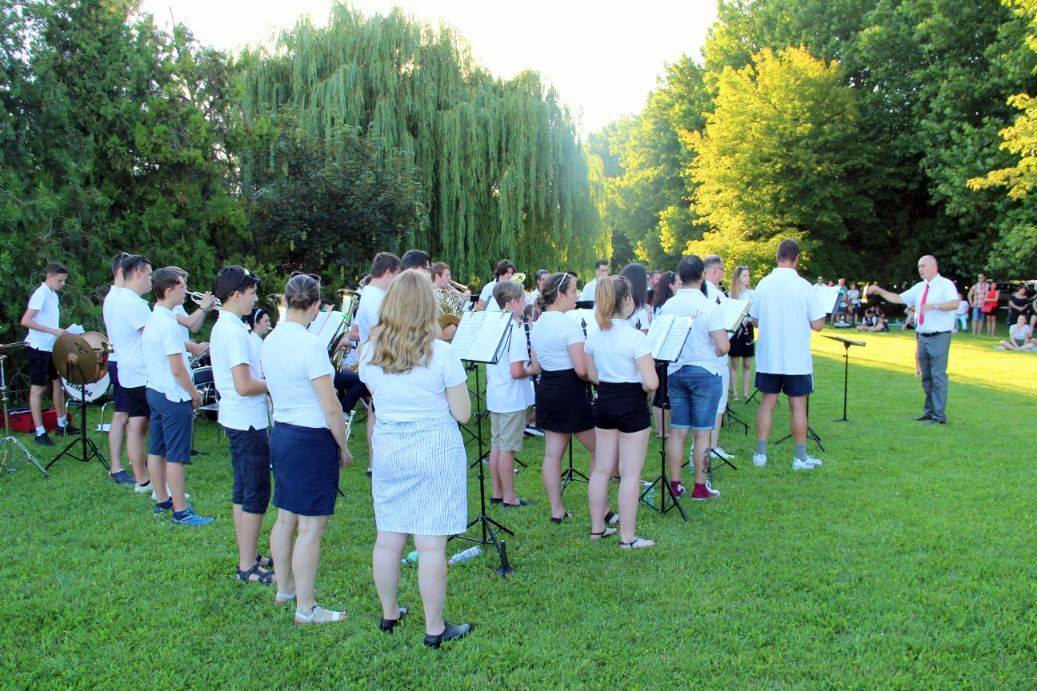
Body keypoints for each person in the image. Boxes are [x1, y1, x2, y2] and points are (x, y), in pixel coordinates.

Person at [359, 270, 473, 647]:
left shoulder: (370, 352)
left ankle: (389, 613)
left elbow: (376, 392)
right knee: (430, 546)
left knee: (388, 538)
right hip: (434, 449)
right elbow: (463, 414)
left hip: (390, 448)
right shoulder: (442, 354)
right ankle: (434, 627)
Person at [262, 273, 352, 624]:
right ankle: (306, 606)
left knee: (286, 518)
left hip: (283, 432)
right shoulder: (311, 345)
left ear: (286, 301)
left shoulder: (270, 340)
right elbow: (331, 407)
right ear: (315, 306)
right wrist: (343, 446)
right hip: (310, 438)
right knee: (311, 527)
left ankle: (285, 588)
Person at [529, 272, 615, 523]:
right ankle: (604, 510)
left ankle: (557, 511)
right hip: (570, 391)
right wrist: (600, 376)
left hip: (548, 389)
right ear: (560, 295)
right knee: (599, 452)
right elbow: (581, 369)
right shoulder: (568, 325)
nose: (576, 295)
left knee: (552, 454)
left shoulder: (537, 324)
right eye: (573, 290)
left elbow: (537, 366)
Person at [209, 265, 274, 584]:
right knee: (255, 492)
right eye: (251, 293)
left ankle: (248, 553)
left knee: (244, 489)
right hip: (247, 421)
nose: (255, 299)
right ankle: (246, 565)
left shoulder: (228, 326)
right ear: (236, 295)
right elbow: (244, 385)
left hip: (239, 419)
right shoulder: (233, 331)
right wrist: (276, 383)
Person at [584, 276, 658, 549]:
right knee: (629, 474)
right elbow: (651, 383)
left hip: (605, 401)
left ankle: (597, 529)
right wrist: (639, 384)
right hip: (631, 404)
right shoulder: (636, 338)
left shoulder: (594, 336)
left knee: (601, 469)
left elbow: (592, 375)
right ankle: (628, 538)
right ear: (626, 300)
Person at [142, 266, 211, 525]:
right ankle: (181, 511)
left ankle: (163, 500)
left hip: (155, 391)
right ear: (170, 290)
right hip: (173, 396)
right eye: (182, 286)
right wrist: (194, 395)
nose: (185, 291)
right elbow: (178, 369)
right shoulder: (168, 324)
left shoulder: (156, 317)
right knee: (176, 455)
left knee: (157, 449)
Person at [750, 239, 827, 469]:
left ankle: (760, 454)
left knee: (767, 402)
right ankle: (800, 457)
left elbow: (755, 319)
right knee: (798, 405)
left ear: (777, 257)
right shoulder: (804, 286)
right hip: (796, 358)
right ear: (796, 259)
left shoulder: (763, 284)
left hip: (769, 355)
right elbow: (818, 324)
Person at [656, 256, 728, 498]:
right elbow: (723, 345)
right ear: (703, 275)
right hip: (704, 372)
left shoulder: (668, 305)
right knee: (702, 434)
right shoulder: (709, 305)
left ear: (679, 277)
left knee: (677, 431)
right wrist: (716, 352)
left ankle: (675, 484)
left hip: (676, 372)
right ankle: (700, 486)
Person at [869, 254, 960, 424]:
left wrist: (935, 306)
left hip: (939, 336)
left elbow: (955, 303)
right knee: (927, 377)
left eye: (923, 266)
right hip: (922, 337)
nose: (920, 269)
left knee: (938, 376)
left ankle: (939, 416)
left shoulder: (945, 285)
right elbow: (898, 298)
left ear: (933, 266)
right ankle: (929, 412)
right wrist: (879, 291)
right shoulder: (919, 287)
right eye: (919, 266)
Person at [486, 280, 535, 508]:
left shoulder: (494, 326)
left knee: (497, 445)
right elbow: (516, 371)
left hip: (496, 394)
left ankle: (498, 493)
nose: (525, 304)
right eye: (523, 300)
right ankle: (509, 497)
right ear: (512, 302)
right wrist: (534, 368)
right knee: (508, 449)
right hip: (511, 397)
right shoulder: (514, 330)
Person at [108, 255, 155, 492]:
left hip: (130, 372)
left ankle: (143, 481)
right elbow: (154, 337)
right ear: (138, 273)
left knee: (137, 425)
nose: (151, 279)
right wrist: (191, 347)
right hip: (142, 374)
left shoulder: (122, 299)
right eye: (149, 274)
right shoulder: (132, 303)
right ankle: (160, 486)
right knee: (156, 430)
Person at [19, 261, 76, 446]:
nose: (62, 284)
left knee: (57, 383)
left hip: (51, 346)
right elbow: (26, 321)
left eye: (64, 280)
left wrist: (60, 331)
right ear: (49, 277)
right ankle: (40, 432)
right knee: (37, 389)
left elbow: (48, 321)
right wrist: (52, 331)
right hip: (38, 348)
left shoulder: (52, 295)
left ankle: (62, 424)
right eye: (60, 280)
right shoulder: (41, 294)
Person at [102, 252, 135, 484]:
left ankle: (134, 460)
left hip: (125, 361)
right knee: (121, 414)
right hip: (120, 361)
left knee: (132, 416)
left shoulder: (122, 297)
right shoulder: (116, 298)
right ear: (121, 272)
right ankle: (115, 467)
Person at [701, 254, 733, 462]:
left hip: (698, 357)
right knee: (718, 404)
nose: (722, 275)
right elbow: (724, 328)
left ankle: (704, 447)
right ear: (714, 271)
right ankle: (711, 447)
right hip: (716, 355)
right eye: (722, 270)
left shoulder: (698, 292)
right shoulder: (715, 295)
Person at [650, 271, 679, 438]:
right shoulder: (666, 305)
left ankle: (660, 429)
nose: (681, 287)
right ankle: (663, 430)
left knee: (661, 391)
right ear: (670, 285)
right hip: (664, 351)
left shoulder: (660, 304)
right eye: (678, 284)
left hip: (660, 350)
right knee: (662, 392)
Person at [727, 265, 756, 401]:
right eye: (744, 275)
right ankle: (735, 393)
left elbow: (756, 313)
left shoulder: (752, 294)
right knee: (734, 364)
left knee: (747, 364)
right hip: (736, 331)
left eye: (748, 275)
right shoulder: (731, 295)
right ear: (737, 278)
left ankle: (745, 392)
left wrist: (749, 319)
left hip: (748, 330)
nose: (747, 278)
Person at [619, 263, 651, 332]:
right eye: (646, 279)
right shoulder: (641, 310)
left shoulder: (614, 304)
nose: (648, 283)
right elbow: (644, 335)